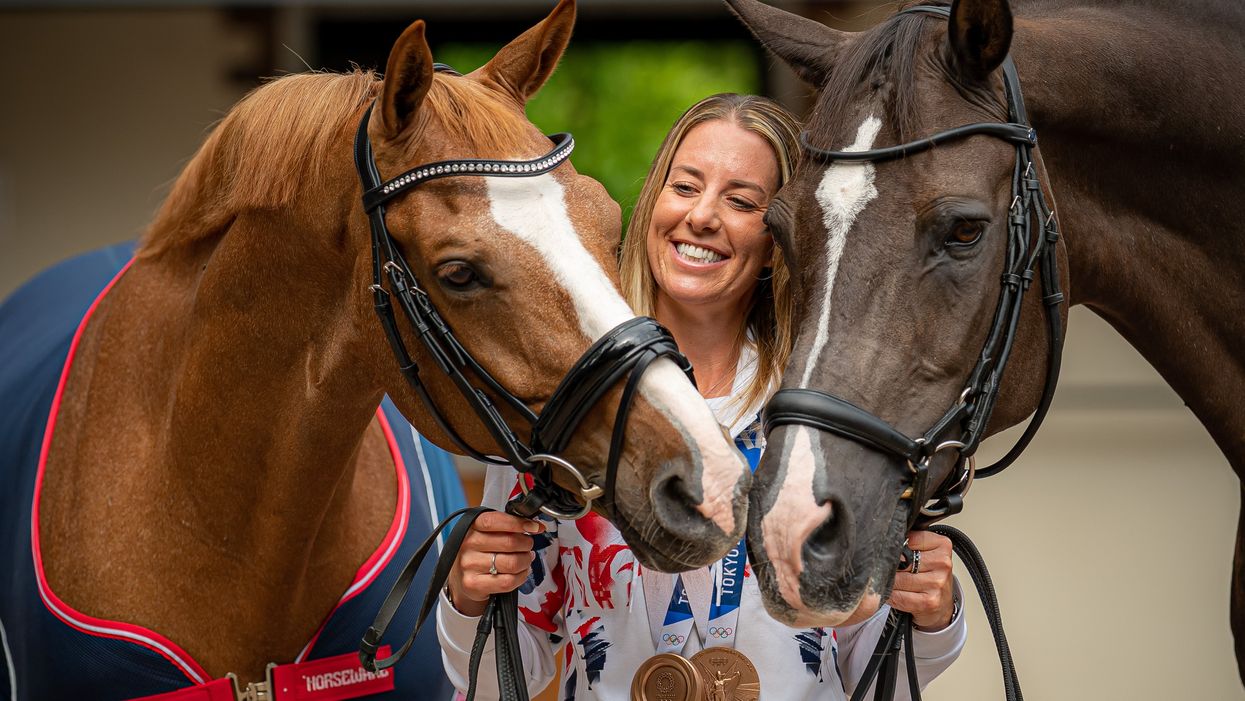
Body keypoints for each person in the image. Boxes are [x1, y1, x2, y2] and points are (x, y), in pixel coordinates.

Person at [436, 94, 965, 700]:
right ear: (655, 202)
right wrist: (471, 598)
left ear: (776, 240)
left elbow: (875, 679)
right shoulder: (564, 403)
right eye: (685, 187)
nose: (702, 216)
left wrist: (928, 616)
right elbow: (499, 680)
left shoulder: (825, 416)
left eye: (741, 201)